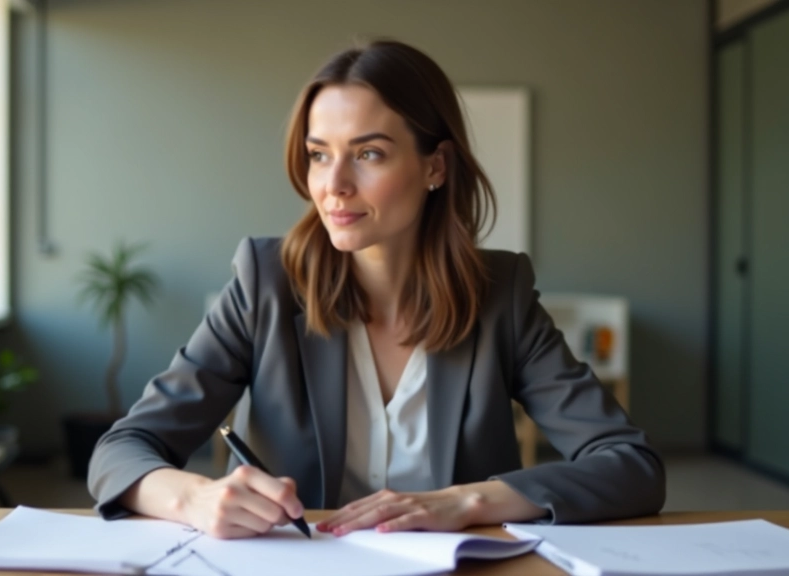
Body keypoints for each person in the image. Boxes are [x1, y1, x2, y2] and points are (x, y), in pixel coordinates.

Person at [88, 39, 665, 540]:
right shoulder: (265, 282)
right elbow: (121, 450)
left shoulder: (500, 294)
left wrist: (466, 501)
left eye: (368, 154)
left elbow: (630, 466)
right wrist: (195, 498)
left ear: (435, 166)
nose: (333, 185)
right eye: (319, 155)